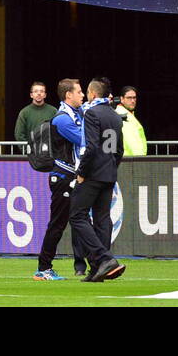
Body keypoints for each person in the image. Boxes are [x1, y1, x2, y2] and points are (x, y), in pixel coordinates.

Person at [68, 77, 125, 282]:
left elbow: (91, 147)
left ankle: (103, 258)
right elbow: (119, 150)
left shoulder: (92, 113)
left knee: (77, 215)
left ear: (92, 94)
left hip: (92, 173)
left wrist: (82, 172)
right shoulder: (115, 116)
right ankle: (98, 269)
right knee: (102, 218)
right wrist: (111, 167)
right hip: (109, 173)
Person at [35, 77, 90, 280]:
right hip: (63, 176)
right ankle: (43, 268)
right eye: (79, 91)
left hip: (70, 175)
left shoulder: (75, 114)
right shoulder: (62, 119)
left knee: (79, 219)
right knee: (57, 223)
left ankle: (96, 261)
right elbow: (83, 139)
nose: (82, 95)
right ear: (69, 95)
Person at [114, 83, 146, 156]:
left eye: (134, 98)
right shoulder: (123, 115)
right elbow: (132, 141)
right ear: (121, 99)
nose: (132, 101)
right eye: (129, 98)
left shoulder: (127, 114)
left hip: (128, 159)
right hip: (131, 161)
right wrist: (141, 159)